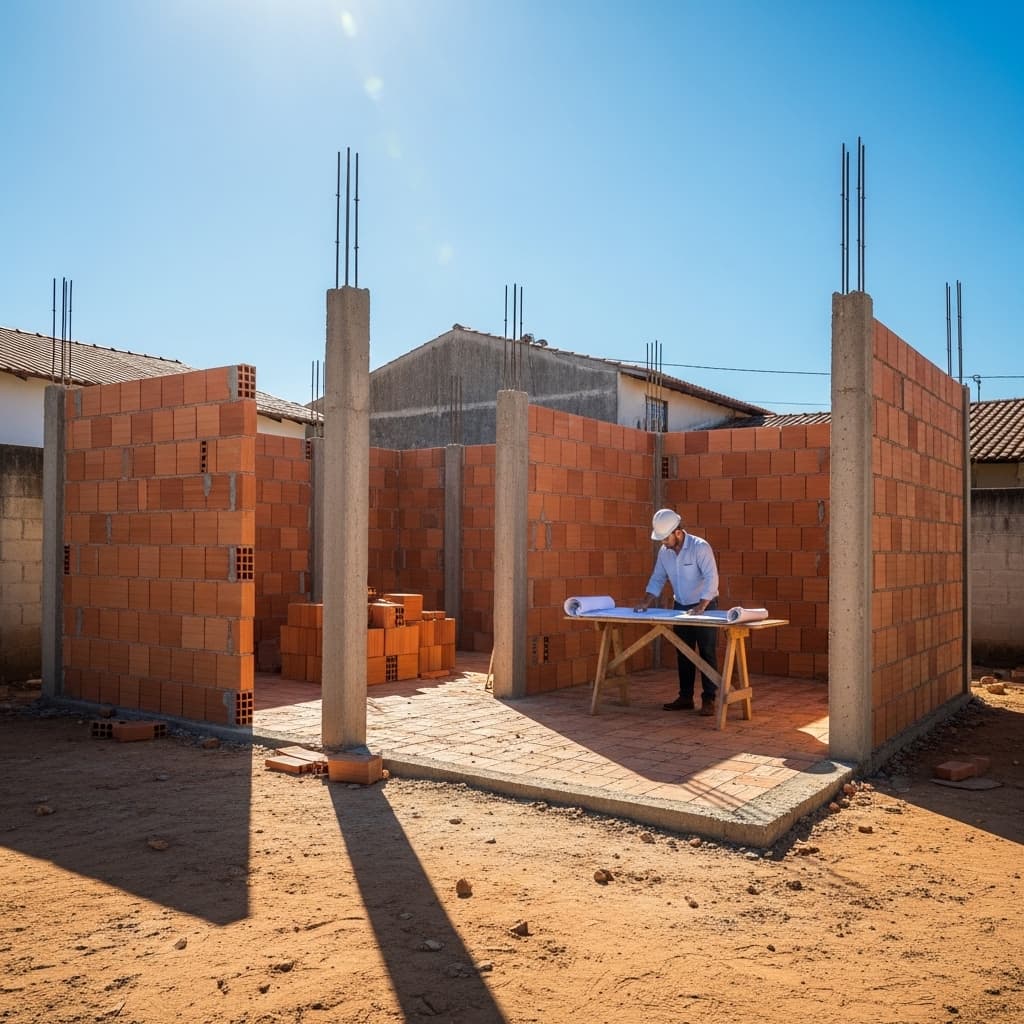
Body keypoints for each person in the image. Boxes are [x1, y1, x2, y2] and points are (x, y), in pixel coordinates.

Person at [634, 508, 720, 715]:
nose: (663, 543)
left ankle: (709, 699)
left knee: (707, 651)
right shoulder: (665, 553)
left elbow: (711, 578)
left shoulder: (700, 547)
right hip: (680, 606)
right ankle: (685, 697)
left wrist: (701, 606)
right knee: (684, 651)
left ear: (678, 533)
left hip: (705, 605)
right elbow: (658, 578)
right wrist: (646, 601)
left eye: (665, 538)